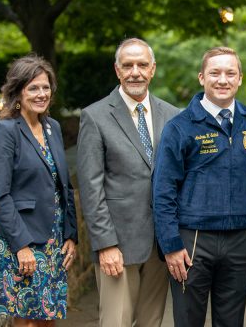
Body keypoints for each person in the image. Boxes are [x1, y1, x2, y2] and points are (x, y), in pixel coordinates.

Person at [153, 46, 246, 326]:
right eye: (215, 73)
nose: (222, 80)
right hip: (193, 242)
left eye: (230, 73)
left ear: (240, 79)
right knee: (189, 320)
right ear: (202, 77)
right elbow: (163, 190)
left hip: (239, 239)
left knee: (231, 321)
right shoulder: (180, 127)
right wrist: (170, 245)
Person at [77, 38, 179, 327]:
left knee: (152, 322)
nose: (135, 71)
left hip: (160, 245)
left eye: (142, 65)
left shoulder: (172, 116)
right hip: (118, 245)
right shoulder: (95, 117)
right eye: (128, 65)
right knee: (115, 322)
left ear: (153, 69)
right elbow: (90, 187)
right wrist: (105, 244)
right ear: (117, 70)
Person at [0, 55, 78, 325]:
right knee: (26, 319)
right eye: (33, 88)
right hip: (22, 240)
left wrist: (70, 234)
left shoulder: (53, 128)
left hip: (53, 241)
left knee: (49, 317)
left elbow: (64, 185)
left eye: (46, 87)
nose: (41, 94)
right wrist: (21, 245)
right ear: (17, 92)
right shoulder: (5, 132)